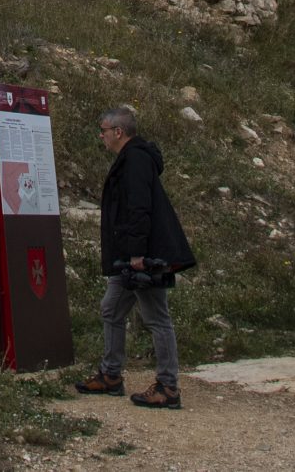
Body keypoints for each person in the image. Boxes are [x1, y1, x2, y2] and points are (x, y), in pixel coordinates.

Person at [74, 104, 195, 408]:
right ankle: (111, 374)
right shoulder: (132, 159)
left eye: (103, 130)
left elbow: (139, 208)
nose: (100, 136)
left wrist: (138, 253)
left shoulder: (136, 160)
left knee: (156, 317)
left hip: (142, 256)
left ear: (119, 131)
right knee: (111, 309)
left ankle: (168, 387)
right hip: (128, 256)